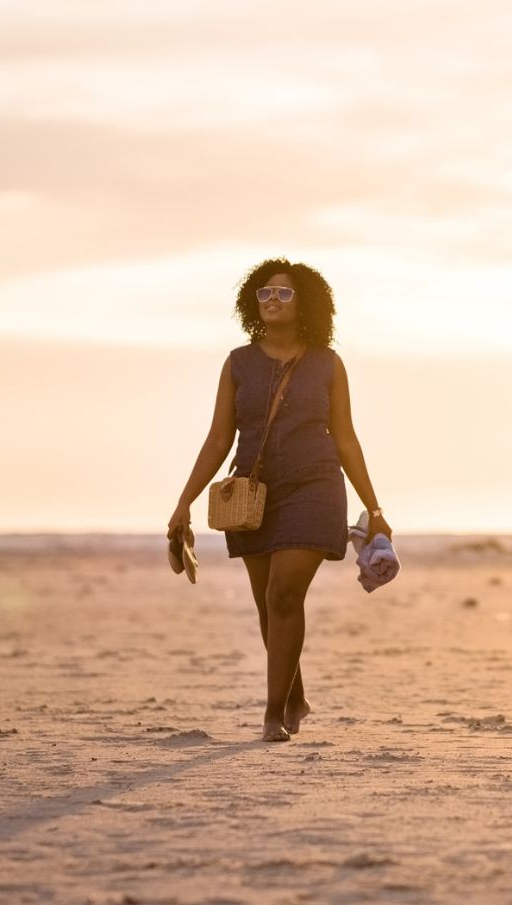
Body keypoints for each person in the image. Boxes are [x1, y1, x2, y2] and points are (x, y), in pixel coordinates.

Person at [167, 258, 393, 743]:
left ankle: (273, 714)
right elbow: (218, 438)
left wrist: (374, 511)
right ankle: (295, 694)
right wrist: (183, 502)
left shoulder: (328, 364)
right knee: (269, 605)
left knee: (285, 593)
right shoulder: (238, 363)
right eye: (265, 293)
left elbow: (346, 438)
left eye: (284, 294)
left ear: (304, 302)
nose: (272, 299)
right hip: (252, 494)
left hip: (314, 487)